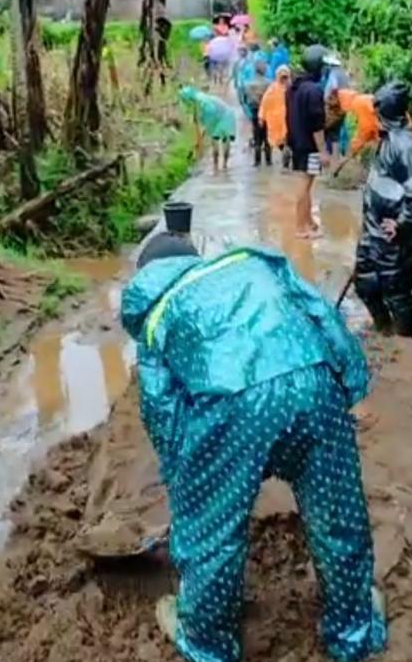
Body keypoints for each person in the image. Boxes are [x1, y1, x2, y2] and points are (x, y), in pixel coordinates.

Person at [121, 232, 388, 662]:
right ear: (193, 260)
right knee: (338, 514)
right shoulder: (255, 263)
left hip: (232, 406)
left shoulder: (156, 316)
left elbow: (162, 410)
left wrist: (184, 481)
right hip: (314, 382)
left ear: (147, 277)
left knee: (213, 534)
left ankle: (207, 644)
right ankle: (353, 631)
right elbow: (321, 314)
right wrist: (354, 385)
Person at [354, 82, 412, 337]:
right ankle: (383, 330)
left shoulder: (405, 145)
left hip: (393, 235)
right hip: (373, 229)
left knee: (396, 291)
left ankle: (404, 342)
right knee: (365, 283)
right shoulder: (387, 138)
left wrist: (403, 224)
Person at [286, 44, 330, 238]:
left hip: (297, 141)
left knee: (307, 183)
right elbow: (317, 124)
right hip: (309, 145)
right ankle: (300, 227)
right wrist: (322, 151)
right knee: (304, 184)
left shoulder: (294, 87)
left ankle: (308, 221)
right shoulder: (313, 91)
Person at [180, 86, 236, 172]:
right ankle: (217, 165)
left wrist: (207, 127)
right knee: (217, 141)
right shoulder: (200, 98)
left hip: (225, 117)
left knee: (223, 140)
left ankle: (222, 165)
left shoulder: (201, 102)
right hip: (223, 115)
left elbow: (209, 115)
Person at [259, 64, 292, 168]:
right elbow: (264, 103)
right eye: (282, 77)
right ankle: (284, 158)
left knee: (287, 139)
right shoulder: (272, 88)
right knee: (277, 140)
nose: (284, 79)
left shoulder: (291, 88)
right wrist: (261, 117)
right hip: (275, 120)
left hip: (288, 119)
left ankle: (286, 162)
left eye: (286, 77)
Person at [244, 59, 272, 166]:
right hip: (267, 113)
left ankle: (257, 161)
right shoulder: (269, 84)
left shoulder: (248, 84)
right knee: (267, 137)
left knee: (257, 136)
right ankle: (269, 161)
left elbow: (246, 100)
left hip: (255, 111)